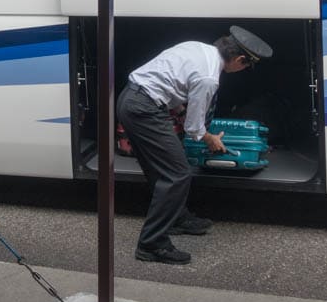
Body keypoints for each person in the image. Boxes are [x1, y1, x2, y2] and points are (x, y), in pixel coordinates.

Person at [116, 26, 273, 264]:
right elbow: (194, 129)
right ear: (240, 59)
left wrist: (181, 110)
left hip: (132, 99)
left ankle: (177, 218)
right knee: (177, 173)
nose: (243, 70)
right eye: (246, 66)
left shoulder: (196, 47)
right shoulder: (209, 77)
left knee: (160, 170)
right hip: (144, 109)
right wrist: (211, 138)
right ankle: (152, 244)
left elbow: (170, 82)